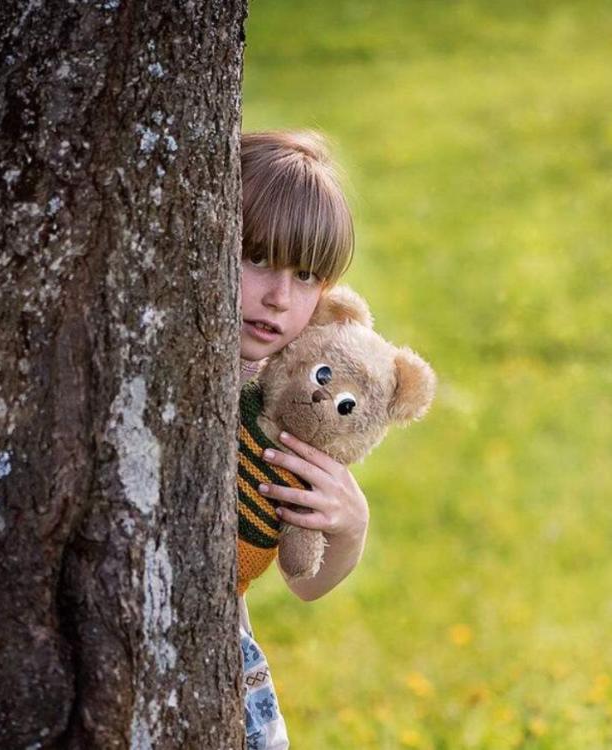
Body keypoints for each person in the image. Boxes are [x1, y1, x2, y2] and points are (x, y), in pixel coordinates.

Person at [237, 131, 368, 749]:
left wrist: (349, 527)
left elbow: (305, 582)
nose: (278, 296)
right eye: (256, 256)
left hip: (229, 671)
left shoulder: (291, 401)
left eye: (306, 274)